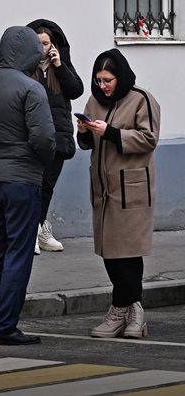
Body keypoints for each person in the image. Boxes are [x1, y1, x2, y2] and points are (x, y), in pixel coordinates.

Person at [0, 26, 56, 346]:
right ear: (32, 52)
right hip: (22, 179)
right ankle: (5, 326)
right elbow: (44, 138)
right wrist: (40, 161)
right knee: (18, 253)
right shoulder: (32, 89)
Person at [77, 49, 160, 339]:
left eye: (108, 80)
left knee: (128, 252)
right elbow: (86, 144)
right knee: (110, 252)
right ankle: (130, 311)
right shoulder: (94, 101)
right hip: (103, 188)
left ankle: (122, 310)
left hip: (131, 188)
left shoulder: (141, 99)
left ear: (120, 76)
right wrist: (85, 131)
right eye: (98, 80)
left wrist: (111, 132)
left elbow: (149, 138)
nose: (103, 86)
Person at [26, 19, 84, 254]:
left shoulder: (60, 66)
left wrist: (59, 65)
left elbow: (76, 90)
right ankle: (29, 232)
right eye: (38, 43)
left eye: (46, 43)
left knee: (47, 185)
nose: (42, 48)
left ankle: (39, 229)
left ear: (54, 45)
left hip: (58, 137)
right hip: (33, 136)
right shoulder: (26, 69)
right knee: (32, 185)